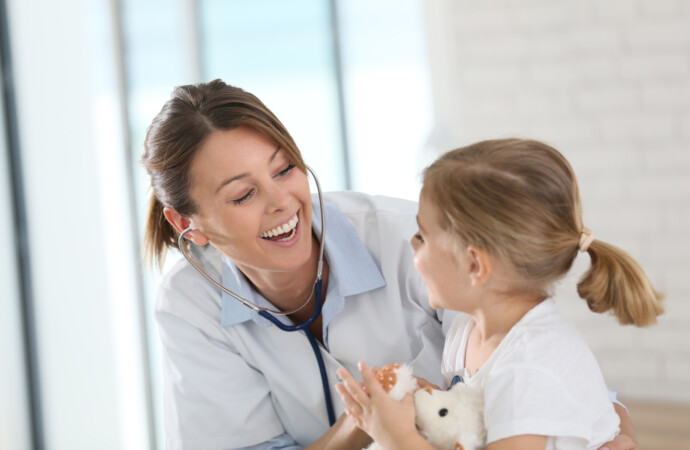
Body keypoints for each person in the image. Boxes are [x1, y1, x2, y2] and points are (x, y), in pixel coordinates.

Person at [141, 79, 640, 449]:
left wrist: (398, 426)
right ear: (189, 224)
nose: (282, 202)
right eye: (245, 193)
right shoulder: (190, 304)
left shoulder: (414, 241)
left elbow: (539, 374)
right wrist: (367, 421)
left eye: (285, 168)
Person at [336, 139, 664, 449]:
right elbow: (474, 421)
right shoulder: (468, 332)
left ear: (475, 265)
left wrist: (396, 437)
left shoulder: (530, 367)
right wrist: (426, 400)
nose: (412, 244)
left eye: (422, 236)